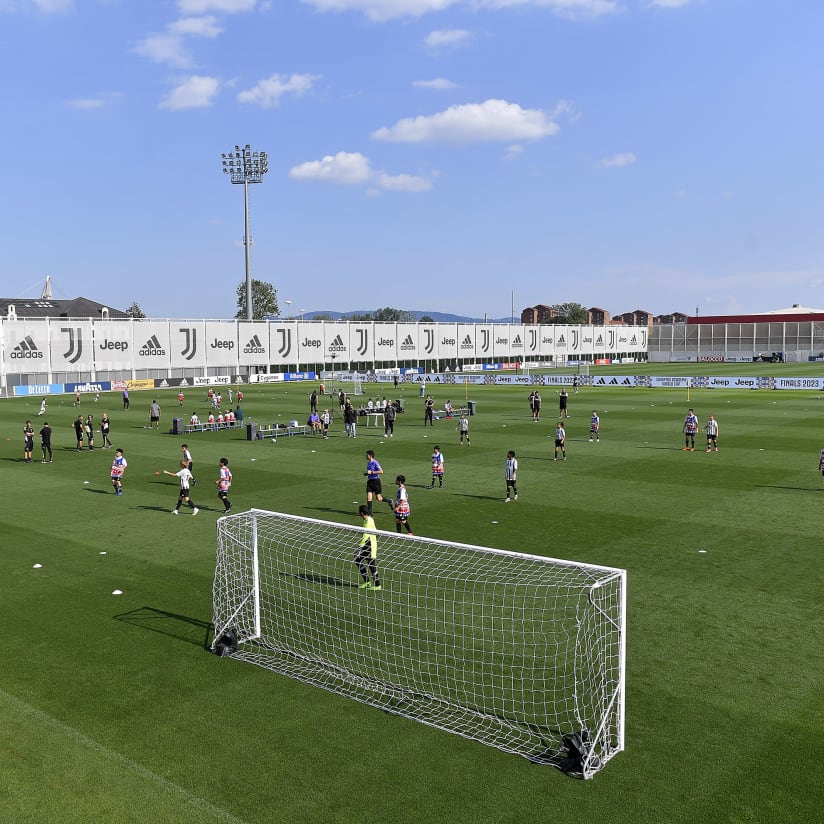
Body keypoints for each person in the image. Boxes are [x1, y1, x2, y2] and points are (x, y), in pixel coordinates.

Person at [354, 505, 381, 590]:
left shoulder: (368, 521)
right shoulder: (367, 520)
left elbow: (366, 535)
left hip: (370, 545)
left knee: (371, 564)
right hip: (367, 544)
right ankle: (367, 582)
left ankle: (377, 585)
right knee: (358, 560)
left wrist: (359, 547)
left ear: (361, 513)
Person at [364, 450, 385, 515]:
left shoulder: (375, 462)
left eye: (367, 455)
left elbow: (381, 471)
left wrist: (372, 472)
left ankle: (389, 501)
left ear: (370, 456)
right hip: (370, 482)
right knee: (369, 497)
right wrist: (366, 474)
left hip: (376, 482)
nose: (365, 456)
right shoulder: (369, 462)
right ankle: (370, 513)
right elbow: (369, 472)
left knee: (379, 498)